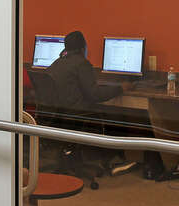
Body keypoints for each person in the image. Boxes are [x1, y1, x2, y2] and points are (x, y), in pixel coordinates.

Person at [45, 30, 136, 176]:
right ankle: (113, 161)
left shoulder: (56, 63)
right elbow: (95, 94)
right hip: (76, 116)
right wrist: (120, 88)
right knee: (115, 116)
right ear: (83, 48)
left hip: (56, 117)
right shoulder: (82, 63)